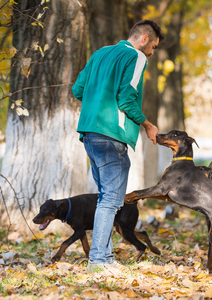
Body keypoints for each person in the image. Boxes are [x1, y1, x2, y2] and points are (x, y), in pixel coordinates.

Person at [72, 19, 164, 274]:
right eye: (153, 47)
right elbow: (126, 99)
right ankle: (100, 260)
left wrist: (99, 96)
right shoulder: (136, 57)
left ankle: (104, 255)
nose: (152, 53)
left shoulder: (100, 53)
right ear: (144, 39)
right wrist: (148, 125)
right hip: (112, 135)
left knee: (105, 198)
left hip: (89, 133)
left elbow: (78, 89)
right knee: (111, 201)